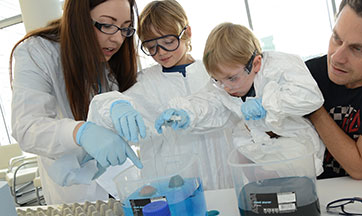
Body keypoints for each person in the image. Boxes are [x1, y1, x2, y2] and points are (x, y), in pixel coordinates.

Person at [87, 0, 234, 191]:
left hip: (226, 182)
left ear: (187, 33)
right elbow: (110, 105)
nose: (161, 53)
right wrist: (114, 106)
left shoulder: (213, 74)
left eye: (168, 42)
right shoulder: (146, 84)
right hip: (172, 191)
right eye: (151, 47)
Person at [10, 0, 142, 204]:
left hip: (122, 180)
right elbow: (27, 127)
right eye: (107, 25)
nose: (117, 39)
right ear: (78, 18)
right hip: (76, 191)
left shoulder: (112, 60)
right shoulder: (37, 52)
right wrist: (81, 132)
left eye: (125, 29)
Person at [154, 22, 326, 176]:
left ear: (256, 64)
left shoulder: (278, 66)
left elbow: (310, 95)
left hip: (296, 142)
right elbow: (209, 102)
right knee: (258, 174)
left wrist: (267, 103)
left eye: (232, 78)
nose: (226, 87)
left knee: (290, 179)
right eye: (217, 80)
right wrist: (186, 113)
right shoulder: (224, 85)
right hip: (259, 146)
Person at [306, 0, 362, 179]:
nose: (336, 57)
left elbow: (361, 167)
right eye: (336, 38)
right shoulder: (306, 74)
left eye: (358, 49)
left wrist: (313, 107)